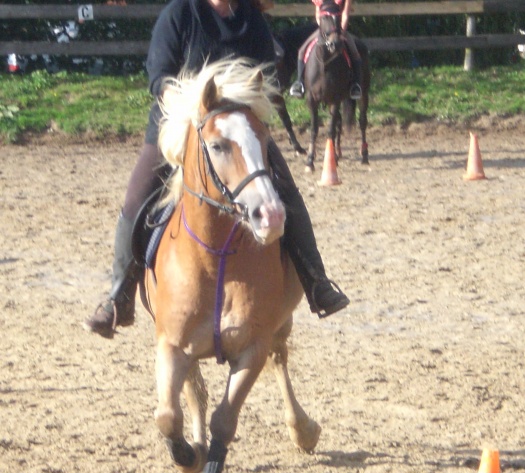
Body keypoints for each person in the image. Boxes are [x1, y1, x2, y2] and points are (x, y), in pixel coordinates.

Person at [84, 0, 349, 339]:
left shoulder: (251, 19)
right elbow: (160, 77)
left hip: (238, 133)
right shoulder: (179, 15)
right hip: (180, 125)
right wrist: (188, 108)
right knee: (136, 199)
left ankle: (316, 283)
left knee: (288, 194)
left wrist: (244, 114)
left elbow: (264, 75)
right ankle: (118, 297)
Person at [289, 0, 362, 100]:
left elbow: (345, 14)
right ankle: (299, 82)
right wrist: (323, 30)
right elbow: (318, 14)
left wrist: (341, 32)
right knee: (302, 51)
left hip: (339, 28)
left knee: (354, 51)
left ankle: (355, 84)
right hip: (324, 29)